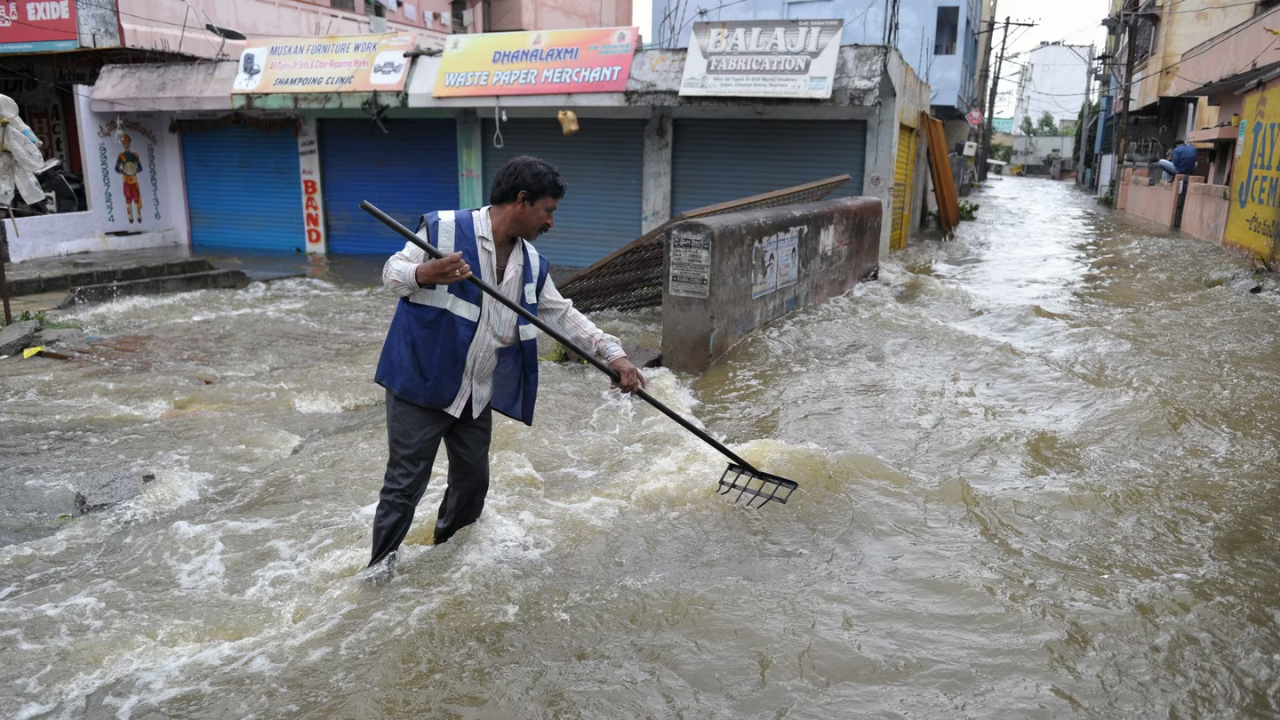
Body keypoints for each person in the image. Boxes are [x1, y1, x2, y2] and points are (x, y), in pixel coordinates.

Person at [366, 156, 647, 574]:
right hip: (420, 382)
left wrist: (613, 353)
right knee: (405, 485)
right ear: (521, 201)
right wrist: (426, 273)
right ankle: (379, 573)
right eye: (548, 210)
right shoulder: (444, 229)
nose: (551, 222)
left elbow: (560, 314)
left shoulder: (530, 263)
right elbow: (391, 273)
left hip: (474, 391)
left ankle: (446, 561)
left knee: (473, 484)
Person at [114, 134, 143, 224]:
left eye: (128, 143)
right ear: (123, 144)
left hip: (134, 180)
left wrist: (134, 170)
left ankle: (138, 216)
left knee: (136, 198)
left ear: (130, 144)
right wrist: (123, 171)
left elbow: (140, 168)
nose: (126, 145)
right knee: (128, 198)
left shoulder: (134, 155)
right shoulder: (121, 156)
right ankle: (130, 217)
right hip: (126, 180)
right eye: (125, 143)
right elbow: (116, 168)